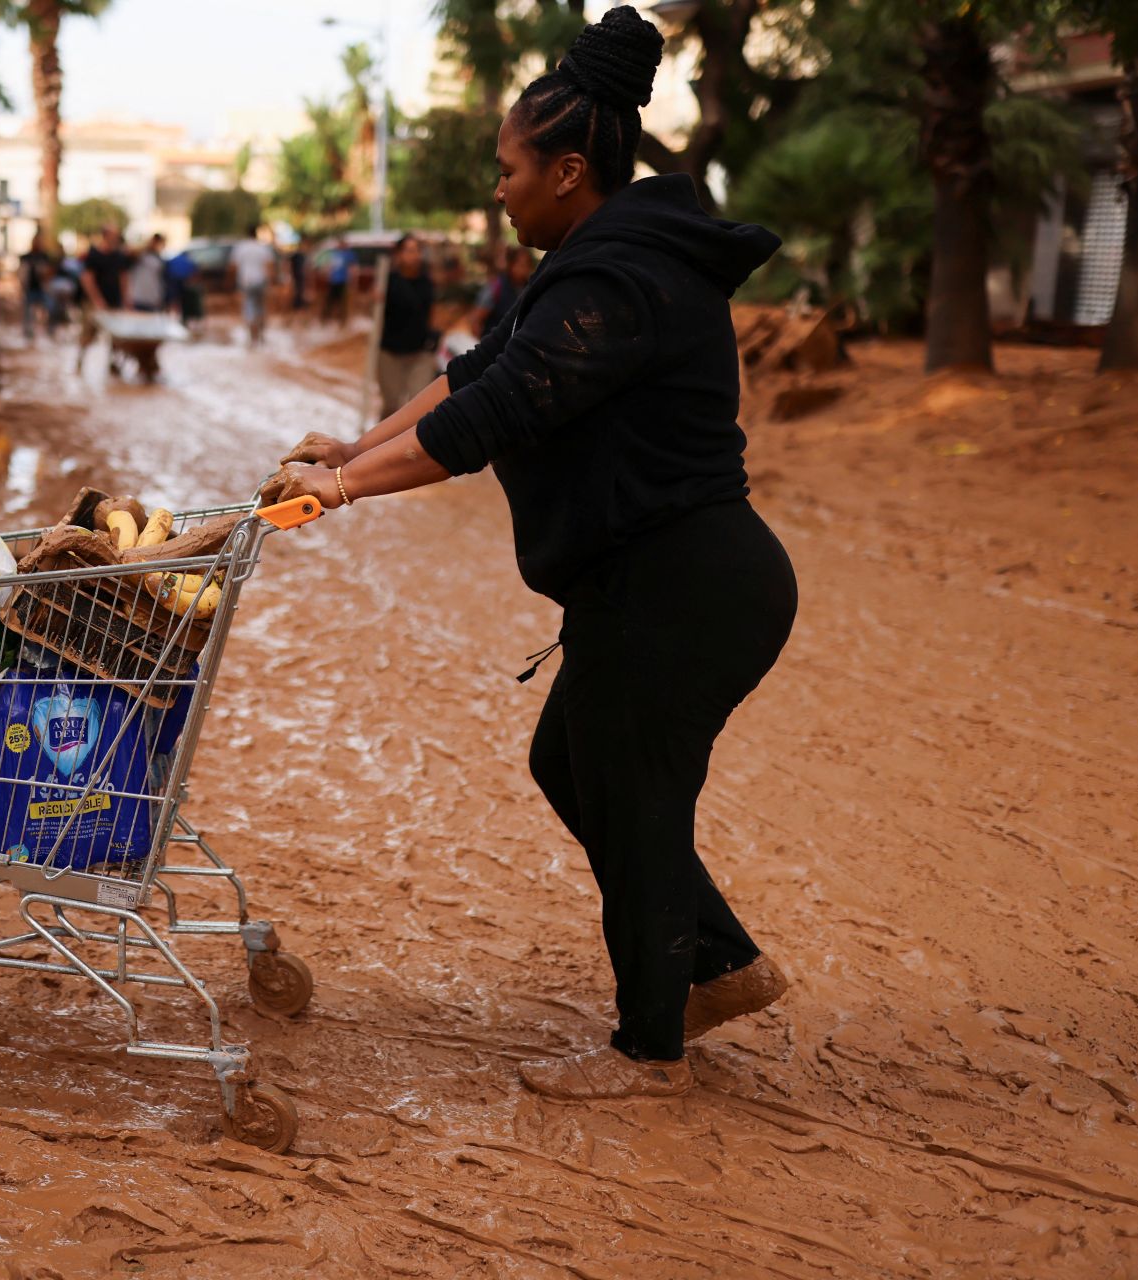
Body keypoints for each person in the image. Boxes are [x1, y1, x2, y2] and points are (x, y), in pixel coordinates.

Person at [263, 5, 796, 1102]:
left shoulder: (618, 277)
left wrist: (348, 489)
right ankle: (721, 962)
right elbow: (475, 370)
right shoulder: (590, 261)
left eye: (506, 170)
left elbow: (500, 412)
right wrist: (354, 443)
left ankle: (649, 1050)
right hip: (652, 581)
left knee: (633, 789)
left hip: (688, 583)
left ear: (565, 169)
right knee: (574, 760)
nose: (496, 189)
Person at [377, 234, 437, 417]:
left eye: (417, 251)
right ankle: (382, 444)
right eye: (410, 251)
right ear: (399, 254)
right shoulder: (387, 281)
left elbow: (432, 315)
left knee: (417, 408)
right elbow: (369, 310)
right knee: (391, 407)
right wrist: (372, 299)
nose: (415, 255)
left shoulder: (427, 283)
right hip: (390, 354)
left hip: (419, 353)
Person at [77, 224, 132, 371]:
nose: (116, 238)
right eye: (113, 235)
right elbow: (87, 279)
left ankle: (113, 366)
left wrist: (127, 300)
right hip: (94, 303)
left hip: (114, 302)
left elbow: (124, 278)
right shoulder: (94, 255)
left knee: (116, 339)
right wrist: (97, 300)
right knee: (88, 335)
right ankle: (80, 364)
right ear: (105, 235)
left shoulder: (119, 256)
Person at [228, 224, 274, 344]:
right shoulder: (263, 248)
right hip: (261, 281)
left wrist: (230, 284)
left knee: (249, 307)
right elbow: (269, 267)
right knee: (261, 307)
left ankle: (253, 338)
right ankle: (261, 335)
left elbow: (233, 267)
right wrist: (271, 282)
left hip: (246, 282)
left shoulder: (240, 248)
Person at [475, 246, 534, 338]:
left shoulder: (531, 288)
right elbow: (477, 319)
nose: (524, 270)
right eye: (520, 265)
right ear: (511, 265)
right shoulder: (496, 287)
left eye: (527, 265)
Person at [20, 233, 56, 340]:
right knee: (28, 312)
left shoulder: (44, 256)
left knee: (51, 307)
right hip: (30, 289)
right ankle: (28, 332)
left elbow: (50, 272)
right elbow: (22, 273)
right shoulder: (26, 257)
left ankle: (50, 330)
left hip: (42, 289)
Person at [128, 233, 167, 312]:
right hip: (138, 298)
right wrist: (147, 245)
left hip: (153, 299)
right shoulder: (141, 255)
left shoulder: (159, 259)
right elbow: (130, 252)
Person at [320, 242, 356, 325]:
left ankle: (342, 320)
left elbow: (352, 267)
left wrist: (352, 280)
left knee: (342, 302)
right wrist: (327, 274)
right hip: (333, 281)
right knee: (330, 300)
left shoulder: (348, 254)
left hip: (343, 281)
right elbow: (329, 266)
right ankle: (326, 319)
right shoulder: (334, 254)